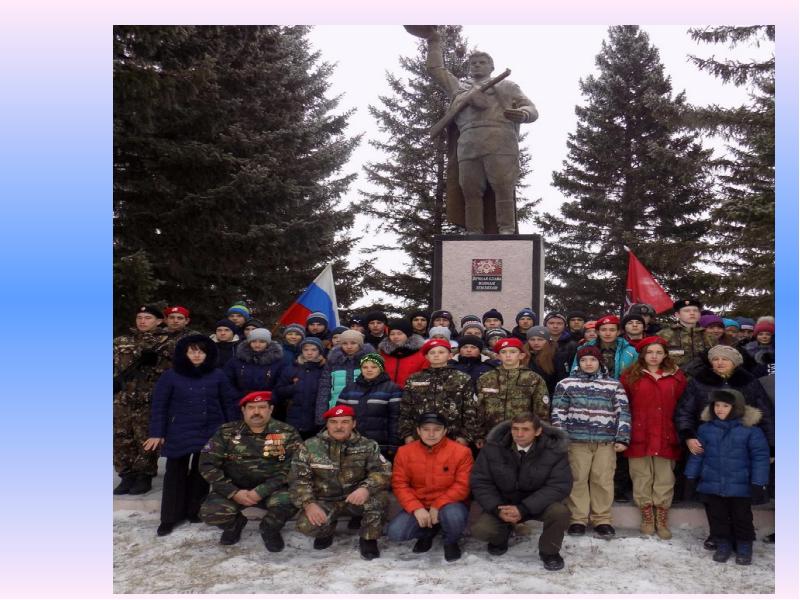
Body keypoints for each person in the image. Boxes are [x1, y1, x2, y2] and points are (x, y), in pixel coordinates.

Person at [423, 27, 537, 234]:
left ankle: (507, 231)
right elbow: (435, 69)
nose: (477, 65)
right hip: (468, 144)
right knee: (470, 191)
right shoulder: (459, 88)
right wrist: (434, 42)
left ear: (492, 67)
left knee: (503, 187)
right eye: (473, 63)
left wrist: (524, 114)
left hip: (499, 141)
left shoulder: (507, 86)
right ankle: (473, 232)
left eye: (482, 62)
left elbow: (531, 108)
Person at [146, 335, 240, 535]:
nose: (197, 355)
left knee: (202, 473)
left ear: (208, 354)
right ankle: (169, 517)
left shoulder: (218, 375)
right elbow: (159, 406)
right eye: (192, 351)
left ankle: (194, 511)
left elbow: (228, 404)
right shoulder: (170, 376)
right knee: (175, 474)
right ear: (184, 353)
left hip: (209, 431)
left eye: (201, 351)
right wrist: (157, 432)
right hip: (178, 432)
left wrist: (231, 430)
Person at [199, 391, 302, 551]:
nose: (256, 412)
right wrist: (233, 492)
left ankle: (269, 529)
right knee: (210, 512)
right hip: (235, 488)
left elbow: (294, 467)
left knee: (291, 500)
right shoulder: (226, 432)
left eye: (262, 407)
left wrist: (261, 491)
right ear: (243, 410)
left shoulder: (286, 433)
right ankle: (234, 525)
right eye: (251, 407)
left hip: (272, 490)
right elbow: (207, 464)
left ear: (271, 409)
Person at [470, 413, 572, 571]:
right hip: (503, 504)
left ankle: (549, 552)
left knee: (560, 512)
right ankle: (501, 537)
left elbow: (559, 485)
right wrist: (497, 509)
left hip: (537, 504)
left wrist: (523, 508)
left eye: (525, 429)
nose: (519, 434)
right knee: (481, 530)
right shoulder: (493, 447)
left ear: (538, 432)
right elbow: (481, 481)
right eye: (515, 429)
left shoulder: (553, 450)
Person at [290, 405, 392, 560]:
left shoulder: (368, 445)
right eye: (334, 422)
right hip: (325, 500)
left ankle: (368, 538)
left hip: (356, 499)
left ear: (354, 424)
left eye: (345, 422)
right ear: (327, 424)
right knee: (306, 526)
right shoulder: (309, 447)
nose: (339, 426)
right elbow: (298, 479)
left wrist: (365, 488)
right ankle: (326, 530)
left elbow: (383, 471)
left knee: (381, 498)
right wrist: (309, 504)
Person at [550, 345, 631, 539]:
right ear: (579, 363)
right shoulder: (566, 384)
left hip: (606, 442)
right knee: (578, 479)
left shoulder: (613, 385)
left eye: (592, 360)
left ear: (599, 362)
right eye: (584, 360)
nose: (588, 363)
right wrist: (562, 438)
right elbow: (558, 412)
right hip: (576, 442)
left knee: (602, 480)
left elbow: (623, 412)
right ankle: (578, 519)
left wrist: (622, 437)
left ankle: (602, 519)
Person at [683, 390, 770, 565]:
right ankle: (723, 543)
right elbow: (697, 455)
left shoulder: (751, 431)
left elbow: (760, 458)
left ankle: (744, 545)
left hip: (740, 486)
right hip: (712, 483)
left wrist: (758, 482)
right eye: (717, 405)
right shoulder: (706, 429)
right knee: (717, 516)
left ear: (736, 408)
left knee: (742, 517)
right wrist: (690, 476)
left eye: (725, 406)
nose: (720, 409)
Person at [620, 336, 687, 539]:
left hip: (666, 433)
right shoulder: (630, 375)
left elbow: (683, 405)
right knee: (641, 476)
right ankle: (647, 515)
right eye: (650, 352)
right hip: (639, 433)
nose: (654, 356)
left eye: (658, 352)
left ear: (665, 354)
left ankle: (661, 517)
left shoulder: (676, 376)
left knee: (665, 478)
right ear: (643, 354)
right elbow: (624, 405)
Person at [388, 413, 474, 562]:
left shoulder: (461, 452)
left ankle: (451, 541)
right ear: (418, 431)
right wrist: (416, 508)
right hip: (420, 503)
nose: (431, 434)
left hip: (450, 503)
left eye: (437, 429)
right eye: (426, 429)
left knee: (454, 517)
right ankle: (426, 533)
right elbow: (399, 484)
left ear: (445, 431)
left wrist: (437, 505)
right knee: (396, 532)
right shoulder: (405, 452)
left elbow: (463, 485)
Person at [113, 305, 174, 495]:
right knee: (122, 437)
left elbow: (175, 370)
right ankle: (126, 474)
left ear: (159, 321)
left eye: (148, 318)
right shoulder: (122, 341)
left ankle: (144, 475)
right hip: (122, 399)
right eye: (139, 317)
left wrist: (160, 359)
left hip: (150, 399)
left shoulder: (167, 342)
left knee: (146, 438)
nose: (142, 321)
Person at [399, 338, 479, 446]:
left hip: (453, 436)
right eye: (432, 352)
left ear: (450, 355)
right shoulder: (414, 379)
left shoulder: (462, 378)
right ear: (426, 357)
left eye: (441, 352)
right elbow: (405, 408)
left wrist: (465, 436)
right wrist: (407, 434)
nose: (436, 355)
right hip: (420, 436)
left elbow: (470, 409)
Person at [475, 338, 550, 448]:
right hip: (493, 435)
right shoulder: (486, 379)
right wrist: (479, 434)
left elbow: (541, 410)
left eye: (513, 352)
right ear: (498, 356)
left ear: (521, 356)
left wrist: (539, 435)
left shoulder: (533, 379)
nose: (508, 355)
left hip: (523, 436)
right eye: (503, 352)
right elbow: (479, 408)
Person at [336, 353, 402, 458]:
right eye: (365, 367)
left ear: (381, 368)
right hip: (351, 443)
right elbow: (339, 415)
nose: (369, 370)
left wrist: (393, 444)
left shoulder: (392, 389)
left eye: (374, 367)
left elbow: (395, 419)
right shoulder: (349, 388)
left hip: (380, 444)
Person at [315, 329, 375, 422]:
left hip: (362, 410)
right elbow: (324, 388)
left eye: (353, 343)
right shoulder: (333, 361)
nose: (349, 347)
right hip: (337, 409)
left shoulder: (370, 361)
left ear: (360, 344)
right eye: (345, 343)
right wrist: (321, 415)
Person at [274, 337, 326, 440]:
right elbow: (279, 390)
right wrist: (294, 387)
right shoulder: (292, 368)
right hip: (294, 418)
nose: (309, 353)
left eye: (313, 350)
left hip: (316, 419)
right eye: (306, 350)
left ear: (320, 351)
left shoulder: (325, 369)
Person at [656, 298, 715, 376]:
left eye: (695, 310)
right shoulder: (664, 335)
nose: (692, 313)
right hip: (674, 378)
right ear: (677, 315)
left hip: (704, 380)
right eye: (687, 311)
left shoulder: (709, 336)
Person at [223, 328, 284, 401]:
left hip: (267, 403)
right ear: (249, 342)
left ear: (268, 343)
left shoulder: (278, 362)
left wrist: (269, 398)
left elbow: (281, 384)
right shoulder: (236, 361)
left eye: (262, 342)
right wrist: (238, 397)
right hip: (240, 401)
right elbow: (227, 381)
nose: (257, 345)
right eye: (254, 341)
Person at [572, 315, 638, 380]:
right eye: (603, 330)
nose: (607, 333)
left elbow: (636, 375)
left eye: (612, 330)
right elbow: (574, 372)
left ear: (618, 332)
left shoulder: (631, 351)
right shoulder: (584, 350)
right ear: (598, 332)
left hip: (620, 388)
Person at [378, 319, 429, 389]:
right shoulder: (383, 353)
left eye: (399, 333)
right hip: (385, 393)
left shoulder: (420, 353)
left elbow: (424, 377)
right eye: (392, 334)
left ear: (407, 334)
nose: (395, 336)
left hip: (410, 394)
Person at [526, 325, 568, 396]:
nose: (536, 343)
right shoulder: (524, 355)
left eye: (540, 339)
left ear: (547, 340)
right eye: (532, 339)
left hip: (549, 395)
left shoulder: (557, 356)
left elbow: (562, 379)